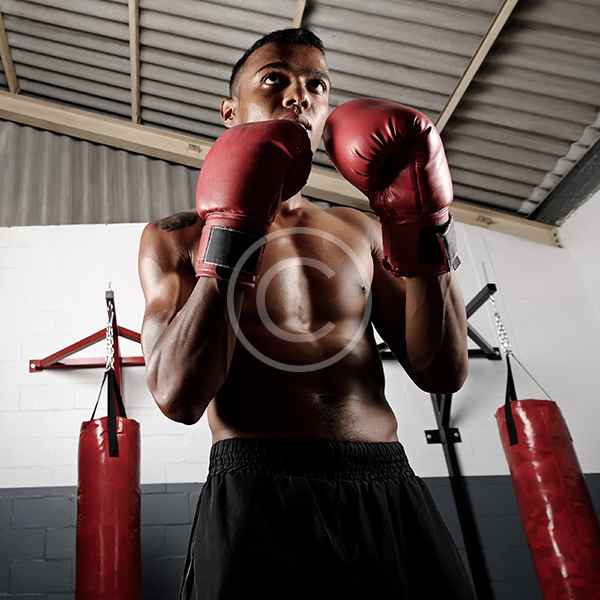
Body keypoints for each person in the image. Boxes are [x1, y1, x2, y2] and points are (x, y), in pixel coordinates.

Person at [138, 28, 474, 600]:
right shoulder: (177, 237)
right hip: (257, 486)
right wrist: (229, 238)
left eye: (316, 85)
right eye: (275, 79)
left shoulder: (364, 229)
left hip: (384, 479)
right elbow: (178, 397)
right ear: (229, 112)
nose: (300, 95)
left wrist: (422, 229)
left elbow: (442, 371)